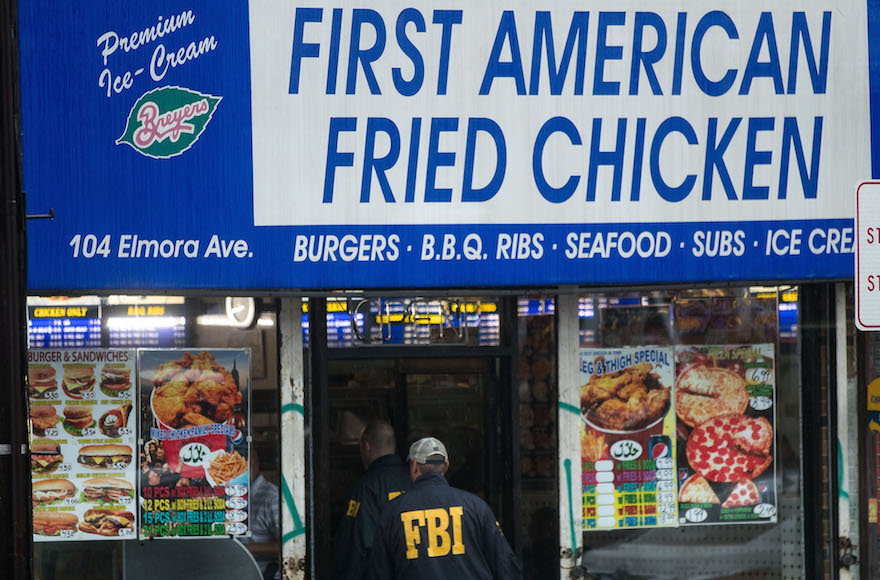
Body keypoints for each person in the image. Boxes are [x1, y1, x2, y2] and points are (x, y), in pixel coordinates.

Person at [366, 437, 521, 580]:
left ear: (413, 466)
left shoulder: (393, 512)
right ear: (446, 466)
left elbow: (379, 573)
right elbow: (505, 566)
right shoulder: (477, 508)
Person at [331, 420, 412, 580]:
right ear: (393, 446)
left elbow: (355, 544)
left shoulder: (365, 487)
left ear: (366, 446)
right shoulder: (414, 479)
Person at [239, 449, 281, 580]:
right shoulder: (233, 497)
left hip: (264, 575)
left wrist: (244, 549)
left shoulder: (271, 497)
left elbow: (289, 544)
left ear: (252, 464)